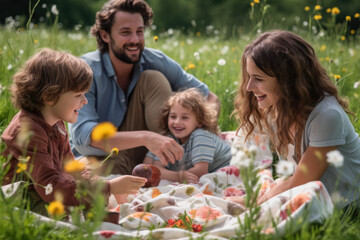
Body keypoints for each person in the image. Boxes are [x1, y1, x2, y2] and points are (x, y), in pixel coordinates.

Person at [68, 0, 220, 175]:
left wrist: (202, 141)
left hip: (154, 155)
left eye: (139, 32)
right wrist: (146, 138)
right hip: (104, 157)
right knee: (79, 182)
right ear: (105, 36)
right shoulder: (87, 70)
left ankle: (170, 164)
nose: (135, 40)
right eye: (125, 32)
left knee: (153, 78)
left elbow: (209, 98)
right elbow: (82, 136)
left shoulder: (155, 60)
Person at [1, 48, 146, 216]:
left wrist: (106, 186)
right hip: (21, 203)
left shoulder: (56, 123)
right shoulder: (27, 132)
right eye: (78, 95)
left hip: (46, 194)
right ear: (50, 97)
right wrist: (108, 188)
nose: (85, 101)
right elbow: (50, 187)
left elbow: (71, 170)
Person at [231, 30, 360, 209]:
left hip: (345, 204)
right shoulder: (280, 106)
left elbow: (301, 182)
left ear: (287, 80)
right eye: (249, 77)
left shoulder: (326, 116)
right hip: (312, 197)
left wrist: (253, 203)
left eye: (258, 79)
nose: (248, 87)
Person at [144, 88, 231, 183]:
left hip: (229, 171)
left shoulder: (201, 136)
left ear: (199, 121)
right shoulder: (168, 139)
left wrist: (177, 176)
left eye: (184, 117)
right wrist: (177, 176)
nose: (177, 122)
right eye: (173, 116)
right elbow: (149, 169)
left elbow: (200, 171)